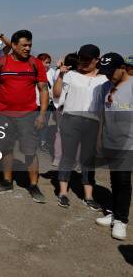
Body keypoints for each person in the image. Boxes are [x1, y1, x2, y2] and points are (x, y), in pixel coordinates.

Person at [0, 30, 49, 202]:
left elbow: (44, 89)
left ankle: (34, 185)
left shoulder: (36, 64)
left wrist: (42, 114)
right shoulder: (1, 63)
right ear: (13, 45)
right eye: (24, 45)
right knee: (6, 148)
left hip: (28, 116)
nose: (28, 48)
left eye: (30, 45)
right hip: (4, 115)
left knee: (30, 151)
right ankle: (7, 181)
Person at [52, 44, 106, 210]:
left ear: (97, 60)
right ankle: (63, 192)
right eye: (81, 58)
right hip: (71, 120)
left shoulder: (104, 79)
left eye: (87, 60)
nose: (83, 62)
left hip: (93, 122)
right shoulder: (71, 75)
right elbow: (57, 95)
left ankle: (88, 196)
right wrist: (61, 75)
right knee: (67, 157)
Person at [95, 53, 132, 240]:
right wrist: (100, 138)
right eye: (105, 72)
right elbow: (102, 113)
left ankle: (121, 220)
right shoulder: (105, 86)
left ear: (122, 68)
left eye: (111, 72)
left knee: (124, 180)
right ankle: (114, 213)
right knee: (115, 178)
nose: (108, 76)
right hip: (110, 140)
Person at [36, 53, 57, 151]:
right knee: (33, 123)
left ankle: (42, 142)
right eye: (45, 62)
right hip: (34, 103)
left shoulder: (53, 72)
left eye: (48, 63)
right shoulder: (33, 72)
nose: (47, 65)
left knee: (44, 123)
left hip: (47, 103)